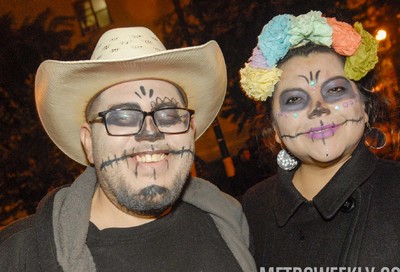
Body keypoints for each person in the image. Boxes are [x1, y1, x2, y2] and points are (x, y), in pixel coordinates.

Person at [0, 27, 256, 271]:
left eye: (168, 116)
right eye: (122, 118)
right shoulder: (19, 257)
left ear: (190, 130)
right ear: (89, 143)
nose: (151, 133)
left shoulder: (228, 222)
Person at [240, 11, 400, 268]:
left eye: (335, 90)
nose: (318, 108)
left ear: (365, 108)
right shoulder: (252, 210)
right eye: (294, 99)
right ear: (276, 130)